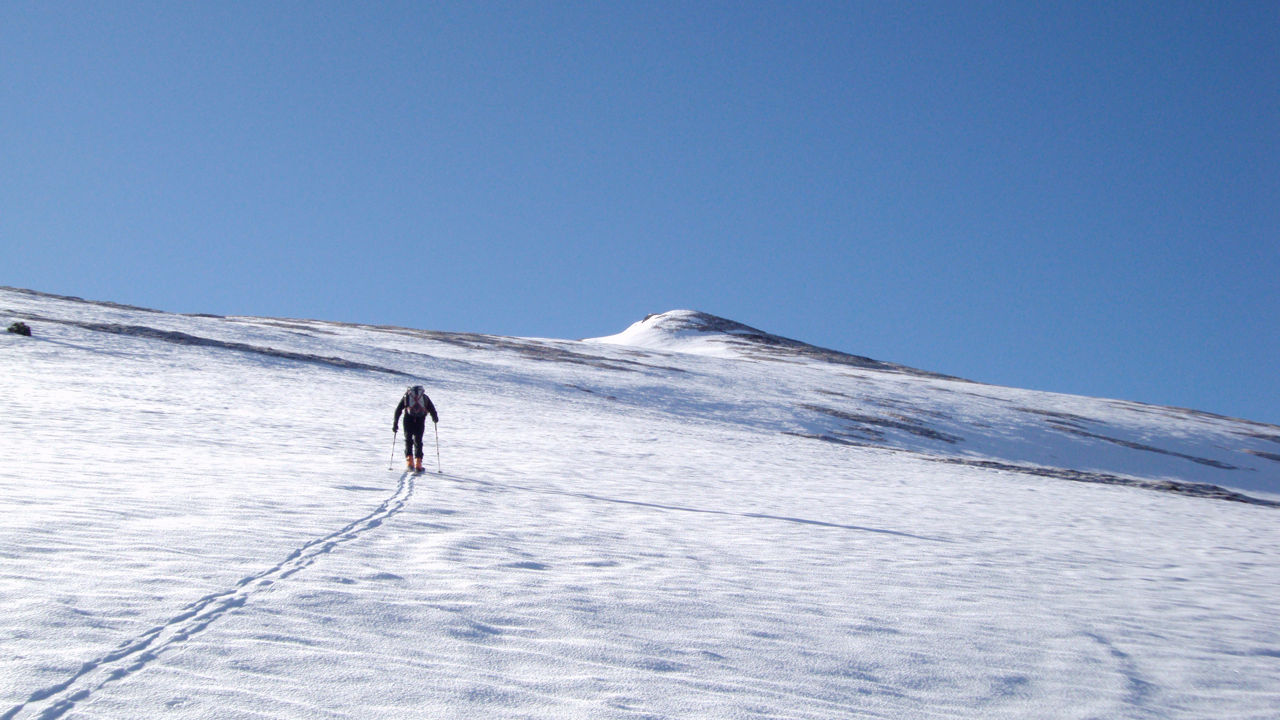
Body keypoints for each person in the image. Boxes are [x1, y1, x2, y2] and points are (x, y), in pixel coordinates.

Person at [393, 385, 438, 471]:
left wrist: (395, 423)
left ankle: (409, 463)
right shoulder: (424, 397)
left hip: (408, 420)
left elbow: (398, 410)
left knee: (408, 440)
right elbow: (432, 409)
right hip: (420, 421)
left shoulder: (406, 397)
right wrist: (435, 418)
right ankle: (418, 464)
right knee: (418, 441)